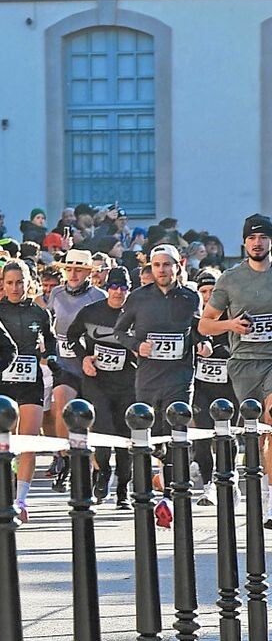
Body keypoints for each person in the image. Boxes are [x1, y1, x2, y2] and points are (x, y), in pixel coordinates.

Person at [113, 243, 206, 529]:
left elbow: (197, 330)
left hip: (180, 376)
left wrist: (203, 344)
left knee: (176, 433)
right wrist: (136, 345)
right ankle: (144, 491)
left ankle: (170, 496)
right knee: (149, 437)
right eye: (157, 265)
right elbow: (119, 331)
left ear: (179, 265)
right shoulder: (139, 298)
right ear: (151, 268)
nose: (162, 270)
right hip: (148, 378)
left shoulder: (191, 297)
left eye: (167, 264)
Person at [198, 213, 272, 524]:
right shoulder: (229, 279)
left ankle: (270, 499)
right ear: (244, 242)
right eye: (252, 238)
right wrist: (232, 324)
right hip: (243, 365)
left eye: (263, 237)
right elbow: (204, 324)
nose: (258, 242)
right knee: (259, 433)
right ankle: (261, 486)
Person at [0, 260, 57, 522]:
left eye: (19, 282)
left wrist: (50, 356)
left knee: (28, 441)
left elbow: (50, 341)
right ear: (1, 285)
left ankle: (20, 500)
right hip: (3, 381)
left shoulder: (39, 313)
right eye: (9, 283)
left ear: (29, 283)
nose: (15, 288)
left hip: (30, 381)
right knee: (2, 441)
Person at [66, 266, 137, 508]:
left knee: (125, 435)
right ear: (107, 288)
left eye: (124, 287)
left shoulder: (136, 314)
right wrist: (83, 358)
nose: (118, 292)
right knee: (104, 430)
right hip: (97, 382)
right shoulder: (91, 312)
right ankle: (103, 472)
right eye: (114, 287)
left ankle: (123, 490)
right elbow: (71, 336)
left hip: (128, 383)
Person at [46, 249, 107, 490]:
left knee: (87, 415)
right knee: (61, 400)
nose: (73, 274)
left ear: (88, 273)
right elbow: (47, 317)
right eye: (69, 269)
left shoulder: (98, 296)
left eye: (78, 269)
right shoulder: (57, 293)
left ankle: (92, 464)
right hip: (65, 363)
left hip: (92, 363)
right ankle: (64, 456)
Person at [192, 268, 237, 507]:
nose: (208, 296)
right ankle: (209, 485)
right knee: (201, 436)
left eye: (213, 291)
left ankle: (229, 478)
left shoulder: (233, 315)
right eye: (203, 291)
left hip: (229, 387)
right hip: (202, 387)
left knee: (225, 435)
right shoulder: (192, 318)